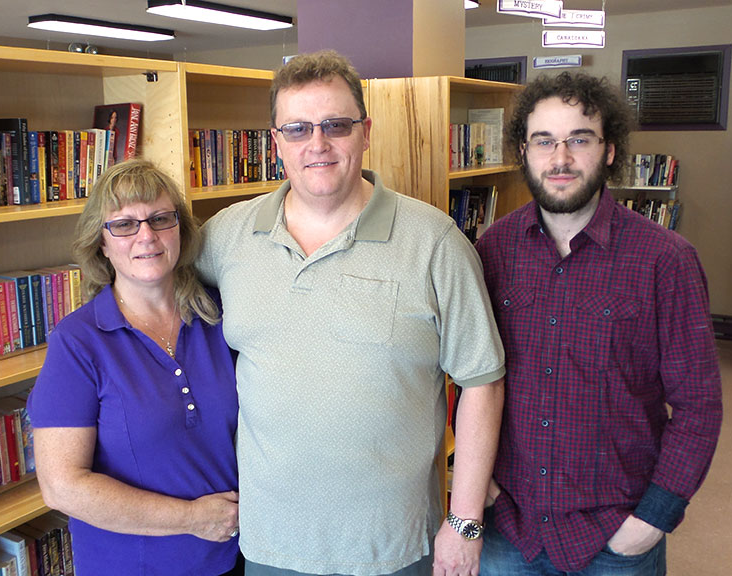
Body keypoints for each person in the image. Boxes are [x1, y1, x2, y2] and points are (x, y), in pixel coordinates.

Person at [196, 50, 506, 576]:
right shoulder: (226, 236)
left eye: (335, 125)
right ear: (276, 143)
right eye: (297, 129)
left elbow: (482, 382)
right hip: (271, 543)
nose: (317, 144)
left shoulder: (434, 243)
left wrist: (465, 521)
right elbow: (155, 293)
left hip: (392, 546)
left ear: (365, 132)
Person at [475, 72, 724, 575]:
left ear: (610, 150)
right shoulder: (491, 249)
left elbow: (699, 405)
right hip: (512, 530)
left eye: (579, 140)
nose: (560, 159)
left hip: (615, 538)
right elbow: (469, 377)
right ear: (523, 151)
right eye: (544, 141)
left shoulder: (665, 259)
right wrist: (488, 489)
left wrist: (651, 521)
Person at [28, 159, 243, 576]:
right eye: (124, 225)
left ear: (180, 229)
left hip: (235, 557)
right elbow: (62, 486)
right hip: (134, 566)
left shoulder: (220, 314)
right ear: (101, 244)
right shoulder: (78, 341)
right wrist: (194, 519)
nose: (147, 235)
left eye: (161, 219)